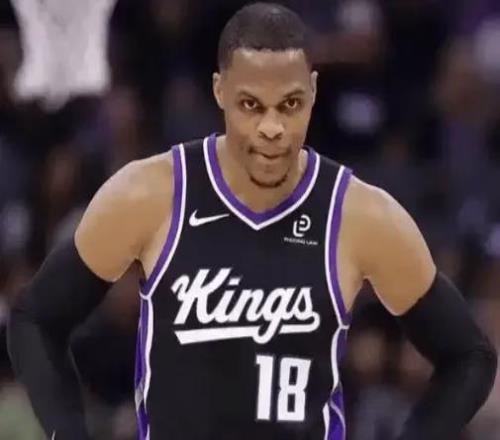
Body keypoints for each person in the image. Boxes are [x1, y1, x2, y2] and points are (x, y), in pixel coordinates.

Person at [7, 3, 497, 440]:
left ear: (314, 91)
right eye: (251, 106)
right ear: (219, 91)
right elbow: (35, 318)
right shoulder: (151, 194)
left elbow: (469, 356)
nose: (272, 128)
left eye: (290, 104)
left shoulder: (359, 213)